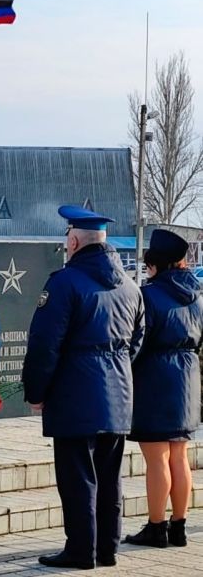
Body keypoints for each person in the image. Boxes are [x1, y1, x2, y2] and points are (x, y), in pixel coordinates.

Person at [22, 205, 145, 570]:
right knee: (109, 476)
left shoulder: (64, 283)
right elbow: (136, 343)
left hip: (75, 395)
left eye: (66, 239)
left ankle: (80, 550)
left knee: (77, 478)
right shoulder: (131, 287)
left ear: (73, 240)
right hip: (119, 395)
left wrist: (37, 392)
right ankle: (107, 548)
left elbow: (45, 344)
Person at [125, 229, 203, 549]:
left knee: (156, 457)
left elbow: (137, 342)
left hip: (155, 376)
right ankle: (180, 526)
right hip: (188, 377)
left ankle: (156, 527)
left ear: (154, 264)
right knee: (179, 455)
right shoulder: (197, 294)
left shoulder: (148, 294)